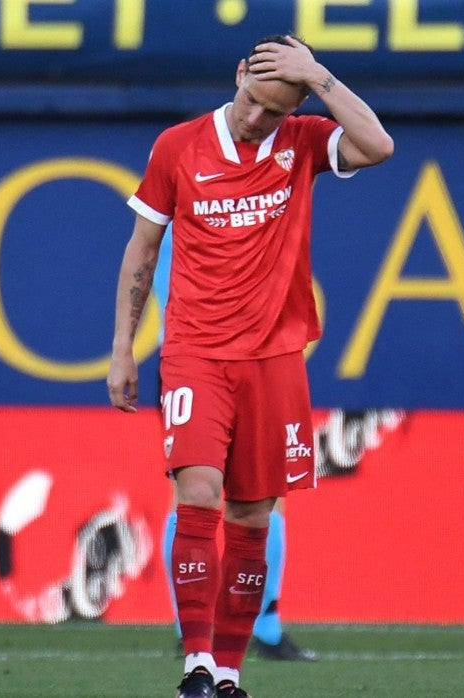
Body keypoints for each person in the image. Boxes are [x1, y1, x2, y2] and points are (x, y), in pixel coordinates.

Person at [107, 34, 392, 698]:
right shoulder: (178, 146)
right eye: (253, 99)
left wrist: (318, 77)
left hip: (274, 358)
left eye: (275, 108)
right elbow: (143, 249)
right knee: (198, 491)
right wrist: (123, 346)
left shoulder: (302, 142)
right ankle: (197, 666)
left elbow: (379, 146)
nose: (257, 117)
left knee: (252, 519)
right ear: (238, 73)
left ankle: (230, 673)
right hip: (195, 352)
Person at [151, 231, 317, 662]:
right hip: (221, 356)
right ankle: (256, 628)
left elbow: (149, 257)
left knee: (203, 495)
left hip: (191, 355)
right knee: (240, 496)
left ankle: (198, 627)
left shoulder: (178, 180)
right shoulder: (243, 185)